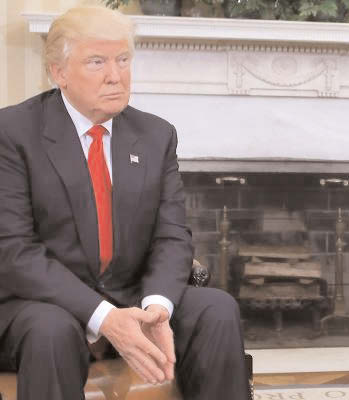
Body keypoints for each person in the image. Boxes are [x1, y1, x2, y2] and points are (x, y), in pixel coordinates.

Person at [0, 6, 249, 400]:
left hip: (133, 297)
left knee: (215, 309)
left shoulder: (155, 135)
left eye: (123, 60)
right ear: (58, 73)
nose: (115, 75)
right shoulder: (12, 132)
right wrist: (104, 317)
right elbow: (13, 251)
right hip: (40, 304)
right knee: (52, 329)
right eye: (97, 62)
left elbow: (172, 236)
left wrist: (157, 308)